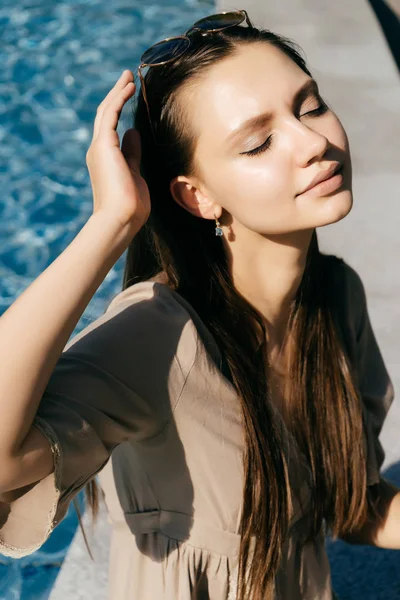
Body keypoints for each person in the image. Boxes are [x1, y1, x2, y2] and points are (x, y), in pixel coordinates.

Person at [0, 9, 398, 600]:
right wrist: (111, 224)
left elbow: (349, 507)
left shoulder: (335, 299)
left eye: (310, 105)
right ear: (197, 196)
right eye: (259, 142)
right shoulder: (161, 334)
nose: (314, 142)